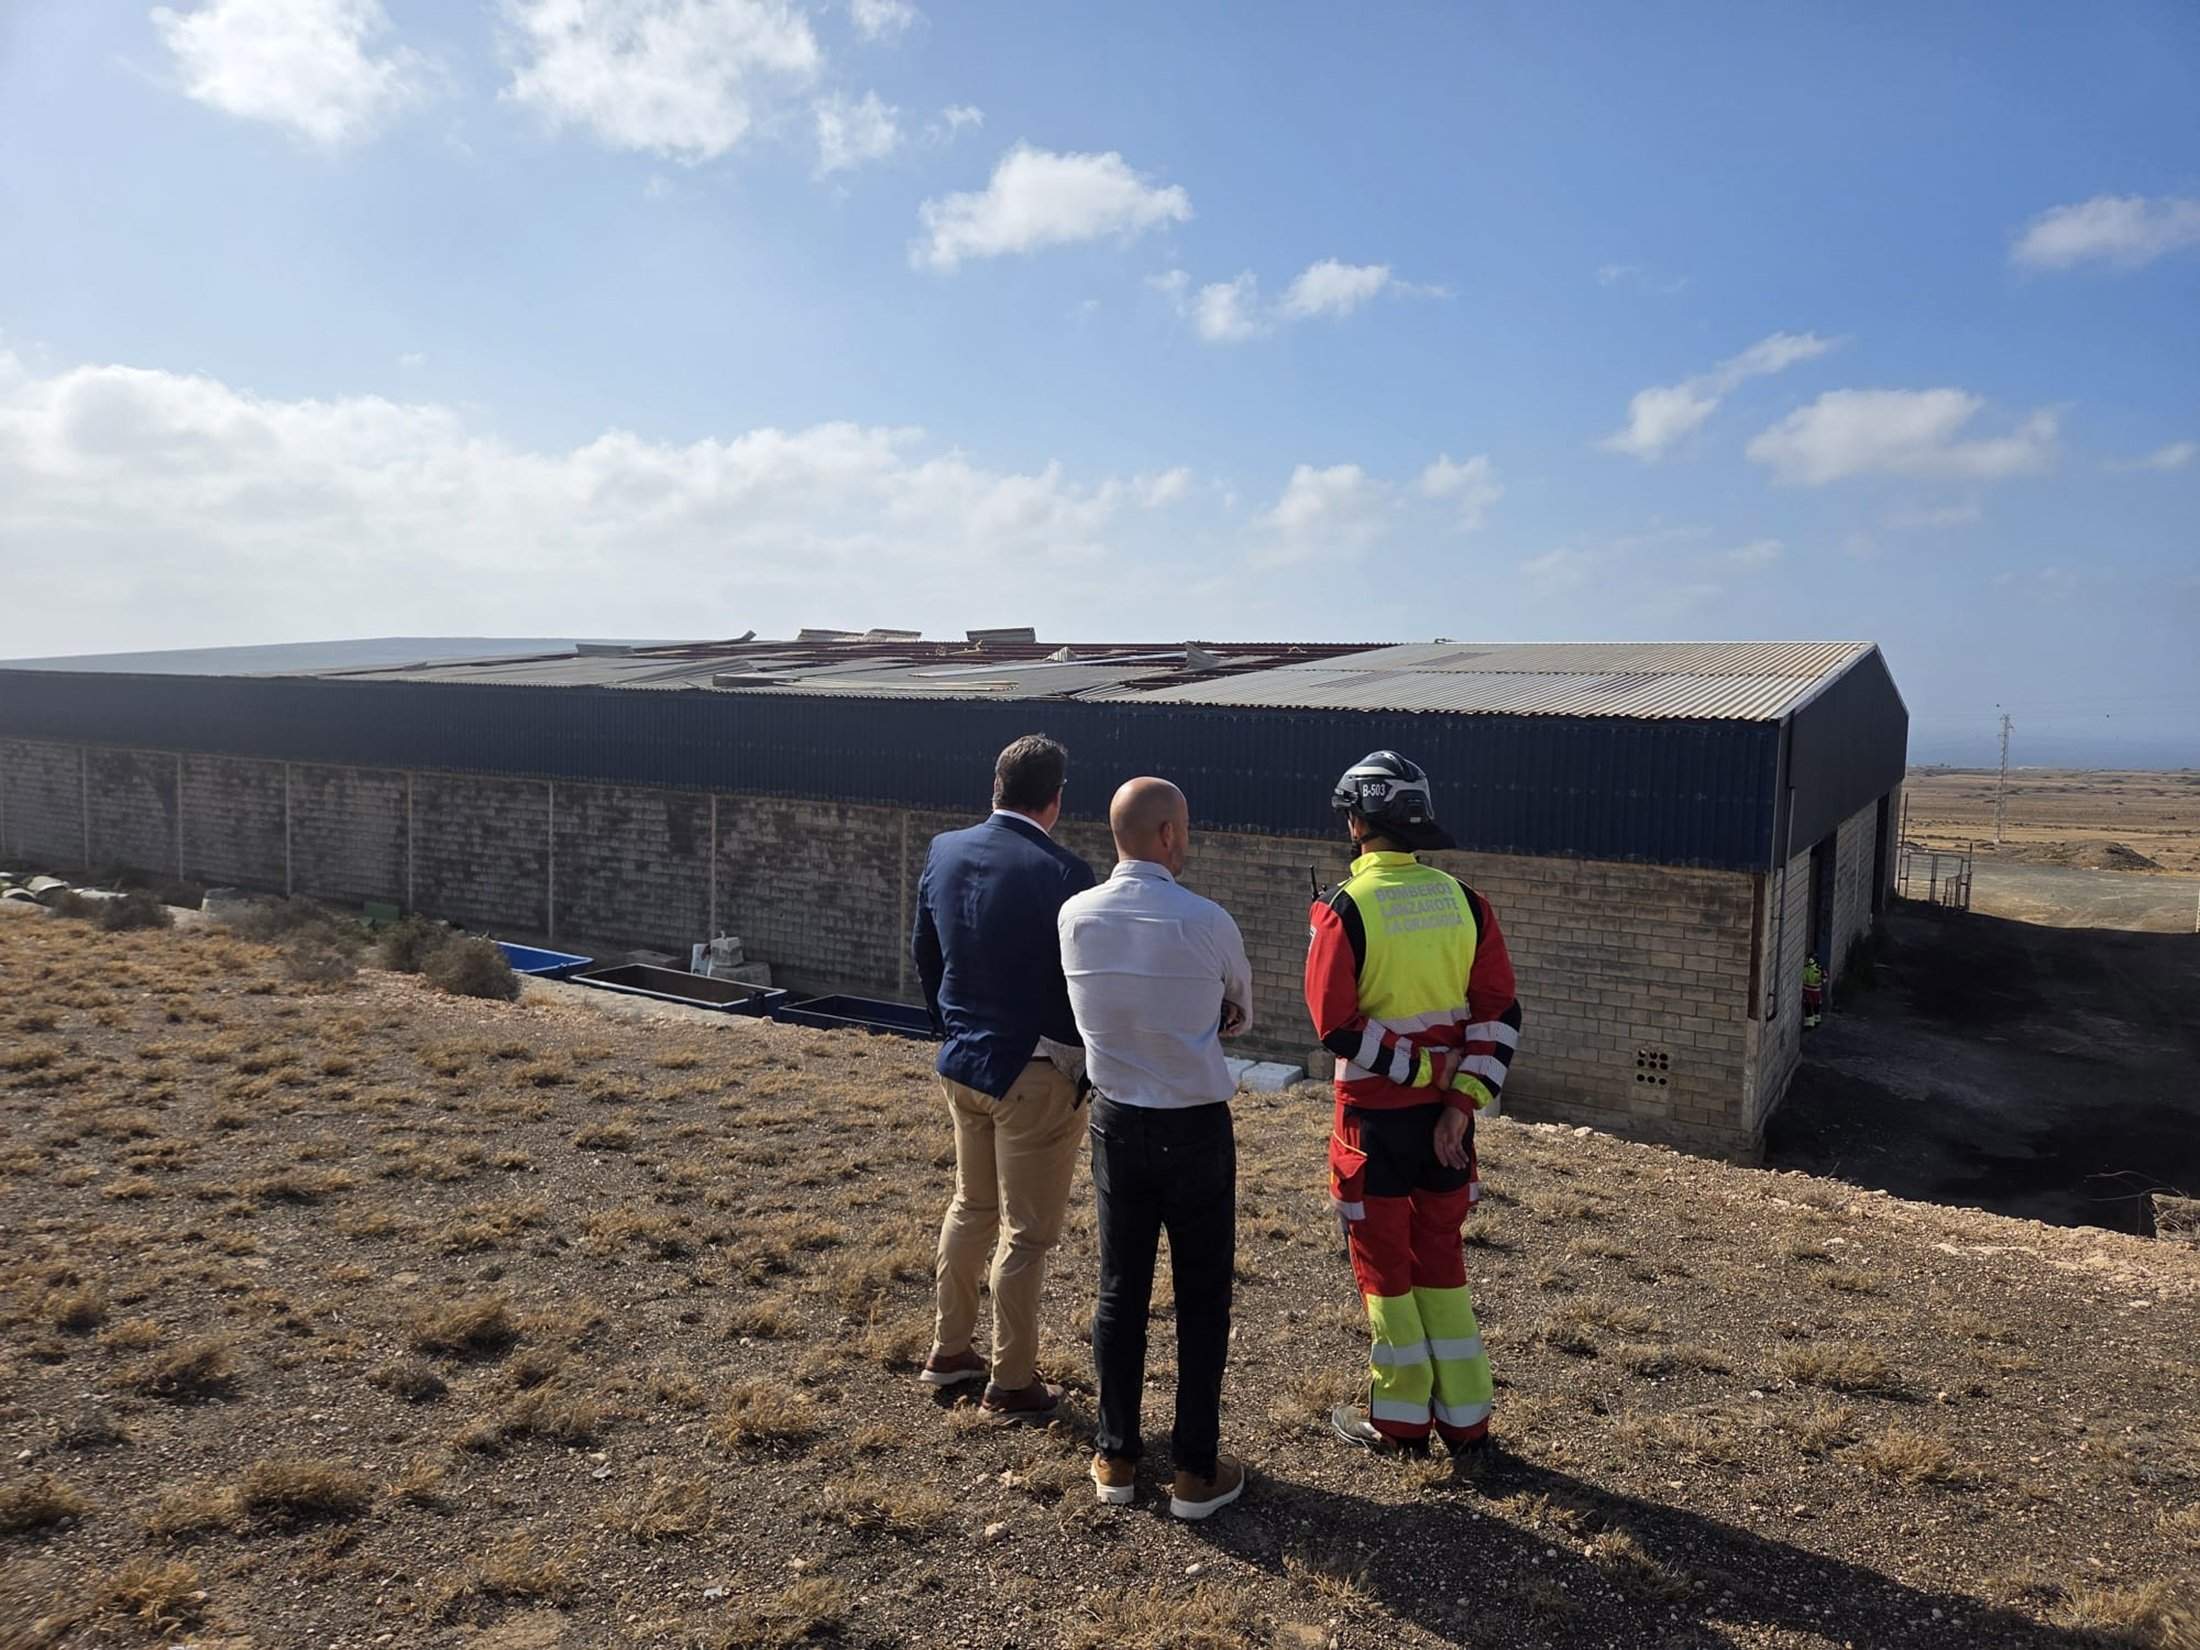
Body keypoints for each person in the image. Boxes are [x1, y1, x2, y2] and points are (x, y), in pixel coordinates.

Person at [1304, 751, 1522, 1459]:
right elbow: (1501, 1014)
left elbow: (1334, 1024)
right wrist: (1460, 1100)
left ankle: (1397, 1423)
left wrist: (1417, 1067)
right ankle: (1465, 1423)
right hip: (1448, 1128)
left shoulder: (1344, 909)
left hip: (1372, 1124)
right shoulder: (1467, 903)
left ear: (1358, 823)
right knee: (1442, 1261)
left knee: (1384, 1270)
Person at [1058, 777, 1255, 1520]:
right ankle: (1196, 1471)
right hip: (1197, 1124)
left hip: (1115, 1121)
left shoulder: (1074, 916)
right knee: (1202, 1299)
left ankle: (1116, 1453)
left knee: (1120, 1290)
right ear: (1169, 834)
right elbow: (1239, 1009)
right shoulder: (1207, 919)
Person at [910, 734, 1097, 1422]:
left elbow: (924, 951)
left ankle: (949, 1348)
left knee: (971, 1207)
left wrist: (950, 1026)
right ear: (1056, 798)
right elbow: (1084, 983)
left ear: (996, 785)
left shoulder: (944, 851)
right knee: (1027, 1231)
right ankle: (1012, 1381)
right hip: (1035, 1069)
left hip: (965, 1063)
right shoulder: (1068, 874)